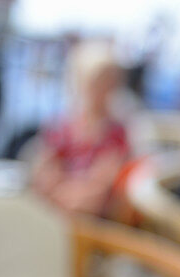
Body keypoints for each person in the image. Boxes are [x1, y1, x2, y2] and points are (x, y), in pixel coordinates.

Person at [31, 41, 132, 218]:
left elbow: (102, 181)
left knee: (81, 206)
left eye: (108, 83)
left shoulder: (116, 132)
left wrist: (73, 195)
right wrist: (52, 185)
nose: (102, 89)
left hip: (89, 204)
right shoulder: (62, 124)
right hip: (58, 196)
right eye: (97, 82)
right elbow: (47, 163)